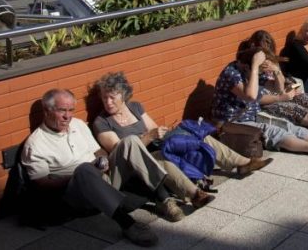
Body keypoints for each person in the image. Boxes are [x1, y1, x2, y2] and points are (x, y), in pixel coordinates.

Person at [91, 72, 272, 209]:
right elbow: (122, 150)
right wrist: (149, 137)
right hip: (137, 162)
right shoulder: (101, 122)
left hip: (155, 146)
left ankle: (242, 163)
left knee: (198, 137)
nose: (108, 102)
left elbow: (154, 128)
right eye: (104, 97)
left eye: (112, 97)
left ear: (123, 95)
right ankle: (194, 195)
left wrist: (163, 132)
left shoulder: (135, 107)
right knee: (163, 160)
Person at [21, 89, 163, 246]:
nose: (67, 116)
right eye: (62, 110)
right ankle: (128, 224)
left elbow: (98, 151)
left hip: (103, 176)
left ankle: (162, 195)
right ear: (47, 110)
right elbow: (41, 183)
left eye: (70, 110)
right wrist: (77, 175)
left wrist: (102, 159)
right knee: (83, 170)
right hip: (75, 193)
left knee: (130, 141)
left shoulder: (78, 125)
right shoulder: (35, 144)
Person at [211, 47, 308, 157]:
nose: (260, 74)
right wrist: (255, 67)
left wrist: (276, 70)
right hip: (232, 122)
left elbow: (278, 89)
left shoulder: (251, 71)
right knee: (274, 131)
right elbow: (251, 96)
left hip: (252, 115)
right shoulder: (231, 74)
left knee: (287, 126)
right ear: (248, 66)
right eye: (258, 70)